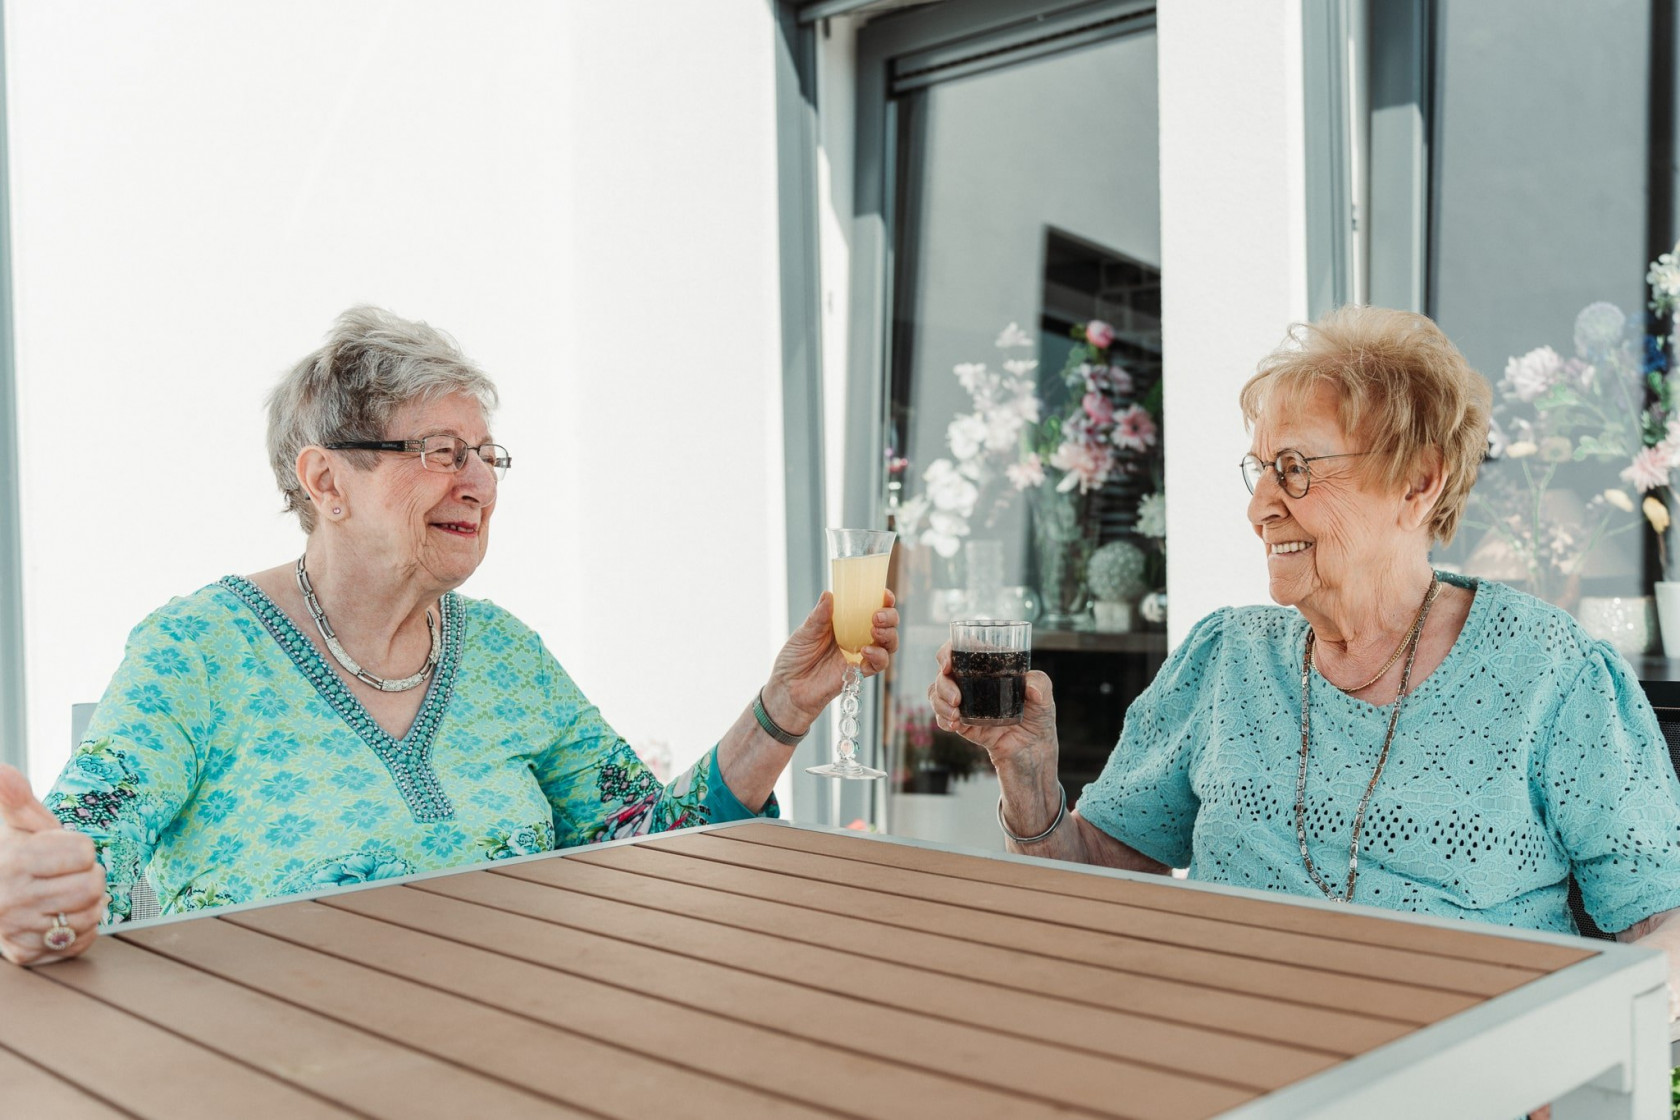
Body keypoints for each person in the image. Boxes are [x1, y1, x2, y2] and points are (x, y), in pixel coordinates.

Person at [0, 306, 898, 966]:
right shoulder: (195, 651)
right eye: (439, 452)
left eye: (485, 455)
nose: (478, 483)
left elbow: (652, 843)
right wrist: (44, 895)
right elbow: (82, 861)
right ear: (326, 480)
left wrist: (780, 711)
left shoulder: (506, 655)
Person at [930, 305, 1680, 1004]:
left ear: (1417, 482)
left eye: (1295, 469)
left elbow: (1662, 933)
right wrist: (1025, 769)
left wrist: (1560, 1058)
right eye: (1260, 471)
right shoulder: (1227, 662)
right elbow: (1088, 897)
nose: (1261, 505)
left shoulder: (1550, 672)